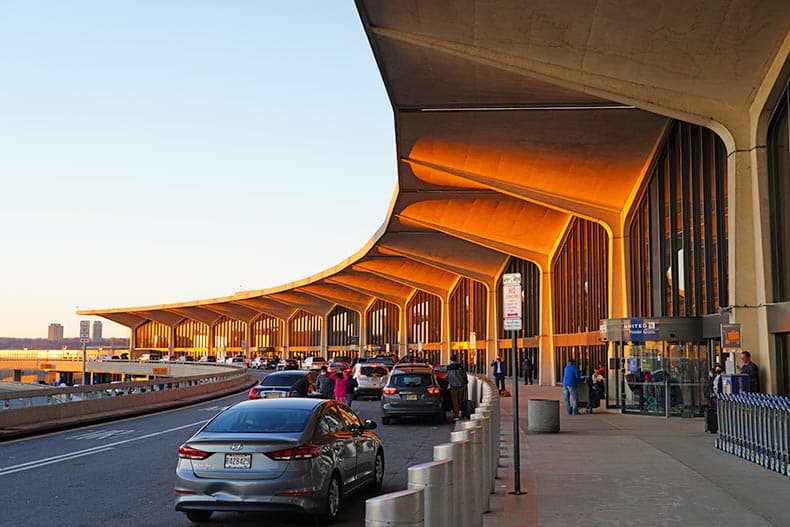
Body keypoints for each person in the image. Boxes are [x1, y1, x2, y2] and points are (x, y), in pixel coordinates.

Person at [446, 354, 468, 420]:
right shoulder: (460, 367)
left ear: (451, 359)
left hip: (453, 386)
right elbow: (464, 375)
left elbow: (439, 369)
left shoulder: (449, 367)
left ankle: (456, 415)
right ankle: (461, 413)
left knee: (455, 401)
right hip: (461, 385)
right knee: (460, 400)